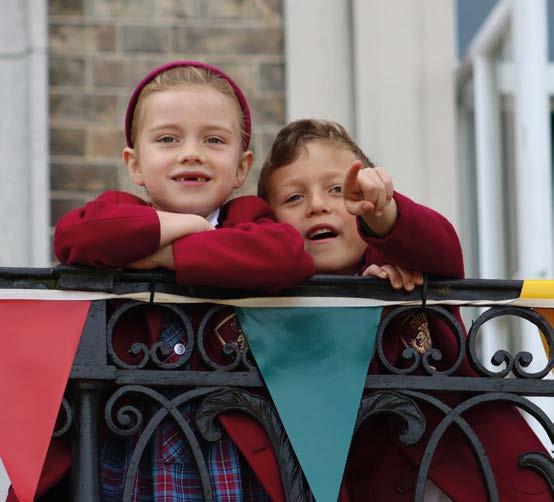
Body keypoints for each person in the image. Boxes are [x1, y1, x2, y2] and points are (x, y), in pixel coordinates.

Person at [256, 118, 552, 501]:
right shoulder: (271, 310)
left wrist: (385, 216)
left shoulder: (403, 262)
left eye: (338, 189)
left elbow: (443, 247)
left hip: (476, 480)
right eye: (293, 198)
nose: (317, 205)